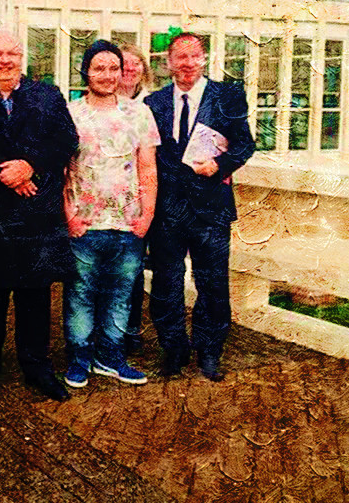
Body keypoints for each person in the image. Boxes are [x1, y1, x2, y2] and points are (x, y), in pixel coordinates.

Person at [0, 30, 77, 403]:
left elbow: (67, 140)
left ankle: (37, 368)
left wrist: (30, 165)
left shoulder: (47, 95)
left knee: (34, 300)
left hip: (34, 218)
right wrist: (5, 173)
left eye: (12, 54)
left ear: (22, 58)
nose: (5, 61)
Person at [144, 32, 255, 382]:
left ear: (204, 59)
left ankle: (209, 352)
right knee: (166, 283)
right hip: (167, 211)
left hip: (211, 208)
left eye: (194, 56)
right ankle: (173, 350)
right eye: (181, 57)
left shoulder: (227, 96)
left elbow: (245, 145)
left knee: (212, 283)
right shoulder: (153, 102)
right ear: (169, 62)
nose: (188, 63)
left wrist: (220, 166)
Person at [62, 40, 159, 389]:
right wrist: (69, 215)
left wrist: (146, 216)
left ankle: (111, 357)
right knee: (81, 296)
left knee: (121, 295)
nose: (107, 75)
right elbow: (61, 170)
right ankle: (79, 360)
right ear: (86, 72)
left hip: (128, 224)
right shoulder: (71, 113)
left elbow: (147, 168)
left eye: (113, 68)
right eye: (99, 68)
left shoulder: (139, 114)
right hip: (85, 225)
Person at [117, 43, 154, 355]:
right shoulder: (98, 102)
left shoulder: (152, 105)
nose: (130, 69)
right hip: (105, 201)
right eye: (124, 64)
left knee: (133, 269)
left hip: (141, 201)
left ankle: (130, 328)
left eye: (136, 63)